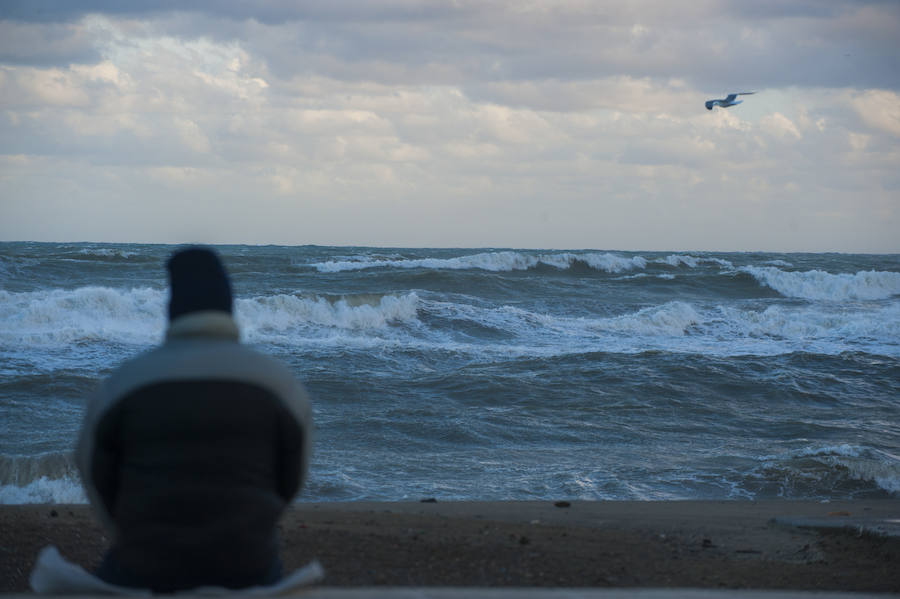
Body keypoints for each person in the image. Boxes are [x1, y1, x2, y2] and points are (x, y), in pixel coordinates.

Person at [76, 247, 312, 592]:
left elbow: (92, 470)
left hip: (143, 570)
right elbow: (291, 480)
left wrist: (130, 532)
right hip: (249, 572)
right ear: (229, 306)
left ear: (171, 309)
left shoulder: (124, 382)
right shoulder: (280, 383)